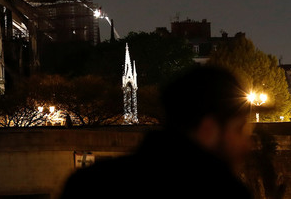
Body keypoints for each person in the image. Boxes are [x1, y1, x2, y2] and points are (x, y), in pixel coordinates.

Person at [60, 65, 253, 199]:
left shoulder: (86, 185)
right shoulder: (225, 191)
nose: (247, 145)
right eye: (238, 129)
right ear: (208, 129)